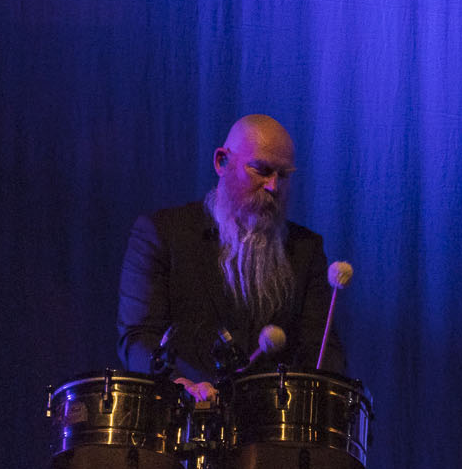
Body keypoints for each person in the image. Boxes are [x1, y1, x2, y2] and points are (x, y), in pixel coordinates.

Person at [118, 113, 347, 403]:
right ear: (221, 161)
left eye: (284, 175)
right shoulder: (161, 234)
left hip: (271, 430)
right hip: (181, 425)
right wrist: (179, 384)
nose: (273, 187)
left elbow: (322, 349)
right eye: (261, 170)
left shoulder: (306, 249)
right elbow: (139, 337)